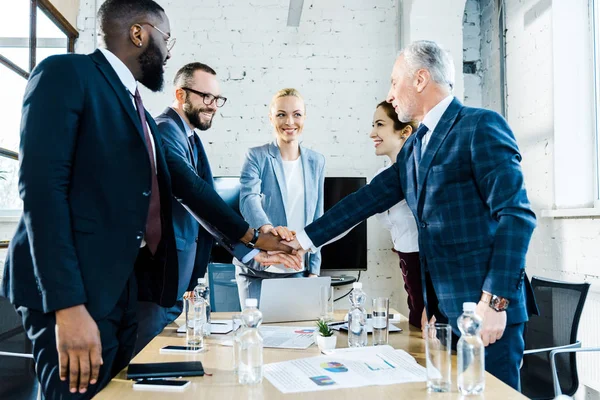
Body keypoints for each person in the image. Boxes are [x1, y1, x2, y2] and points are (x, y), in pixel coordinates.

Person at [0, 1, 294, 397]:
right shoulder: (67, 74)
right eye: (165, 37)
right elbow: (41, 192)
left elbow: (186, 189)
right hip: (71, 293)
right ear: (139, 34)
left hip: (118, 289)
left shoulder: (135, 107)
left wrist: (254, 238)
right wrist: (66, 307)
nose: (169, 50)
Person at [287, 40, 538, 391]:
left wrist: (494, 302)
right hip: (445, 316)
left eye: (394, 82)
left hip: (485, 312)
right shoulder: (416, 146)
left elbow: (517, 215)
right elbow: (367, 199)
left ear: (420, 79)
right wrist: (301, 241)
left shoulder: (479, 126)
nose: (390, 95)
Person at [135, 63, 301, 353]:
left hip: (176, 283)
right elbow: (194, 193)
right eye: (205, 97)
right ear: (180, 94)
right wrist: (253, 236)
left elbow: (204, 214)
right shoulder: (165, 131)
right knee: (144, 367)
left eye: (217, 99)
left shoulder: (190, 138)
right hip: (157, 278)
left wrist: (250, 251)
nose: (212, 106)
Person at [235, 88, 326, 307]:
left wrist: (313, 270)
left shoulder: (317, 161)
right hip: (256, 269)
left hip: (296, 268)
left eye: (296, 114)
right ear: (271, 117)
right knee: (255, 335)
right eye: (281, 114)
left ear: (304, 117)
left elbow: (317, 215)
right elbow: (249, 197)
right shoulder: (256, 156)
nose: (289, 121)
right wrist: (266, 227)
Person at [369, 101, 424, 328]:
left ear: (405, 132)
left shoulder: (421, 174)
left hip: (429, 279)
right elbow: (350, 212)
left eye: (380, 124)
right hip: (409, 277)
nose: (372, 133)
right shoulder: (382, 178)